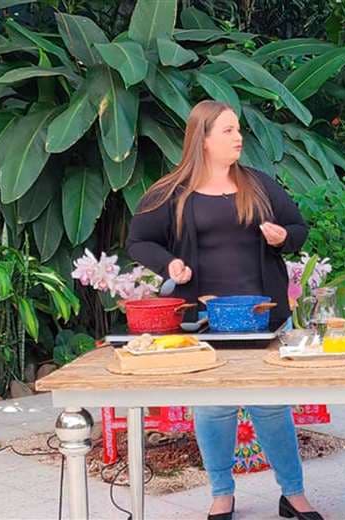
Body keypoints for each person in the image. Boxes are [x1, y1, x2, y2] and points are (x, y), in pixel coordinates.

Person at [127, 100, 323, 520]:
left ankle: (293, 494)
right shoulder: (171, 192)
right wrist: (169, 264)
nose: (238, 138)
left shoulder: (259, 184)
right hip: (204, 321)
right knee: (213, 407)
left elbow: (298, 228)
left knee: (272, 405)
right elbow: (139, 241)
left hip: (264, 317)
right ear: (203, 138)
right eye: (228, 131)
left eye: (238, 130)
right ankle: (221, 494)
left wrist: (281, 238)